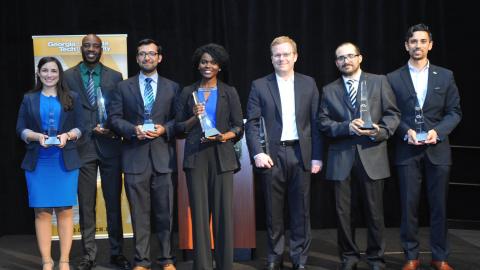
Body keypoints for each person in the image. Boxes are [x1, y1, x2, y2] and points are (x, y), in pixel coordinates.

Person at [318, 42, 400, 270]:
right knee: (343, 213)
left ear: (360, 58)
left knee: (375, 212)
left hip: (372, 155)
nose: (346, 61)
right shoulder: (329, 89)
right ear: (336, 63)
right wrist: (346, 127)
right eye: (341, 58)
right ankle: (349, 256)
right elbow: (323, 123)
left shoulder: (379, 81)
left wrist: (380, 131)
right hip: (341, 158)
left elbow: (393, 114)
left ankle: (376, 258)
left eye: (350, 56)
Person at [387, 24, 462, 270]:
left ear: (430, 45)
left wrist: (436, 132)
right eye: (413, 41)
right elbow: (390, 114)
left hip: (437, 150)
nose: (417, 45)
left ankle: (440, 257)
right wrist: (405, 131)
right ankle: (411, 256)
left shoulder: (446, 75)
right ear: (406, 46)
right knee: (409, 206)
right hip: (407, 150)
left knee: (439, 206)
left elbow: (454, 112)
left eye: (422, 41)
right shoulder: (393, 78)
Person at [245, 36, 323, 270]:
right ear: (271, 58)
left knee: (301, 212)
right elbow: (253, 124)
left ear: (295, 56)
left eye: (286, 54)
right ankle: (274, 257)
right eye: (277, 55)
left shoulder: (309, 83)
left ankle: (300, 259)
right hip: (272, 155)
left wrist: (317, 155)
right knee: (273, 212)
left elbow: (316, 122)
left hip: (301, 154)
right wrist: (258, 152)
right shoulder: (259, 85)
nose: (282, 58)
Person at [109, 38, 179, 270]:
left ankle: (167, 259)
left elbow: (179, 119)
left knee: (165, 214)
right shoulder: (123, 87)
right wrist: (133, 130)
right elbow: (114, 118)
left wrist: (165, 129)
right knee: (139, 215)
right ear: (137, 58)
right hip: (134, 158)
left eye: (151, 53)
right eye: (141, 54)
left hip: (163, 159)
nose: (146, 57)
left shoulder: (172, 87)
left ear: (159, 57)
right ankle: (142, 261)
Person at [63, 34, 130, 270]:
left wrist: (111, 128)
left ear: (102, 49)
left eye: (96, 46)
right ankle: (88, 254)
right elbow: (65, 110)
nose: (91, 49)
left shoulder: (115, 76)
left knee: (113, 202)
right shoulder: (68, 76)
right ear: (81, 48)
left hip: (110, 145)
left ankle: (116, 252)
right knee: (86, 203)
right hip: (82, 147)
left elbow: (119, 110)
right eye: (87, 46)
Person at [176, 43, 243, 270]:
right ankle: (202, 265)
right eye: (204, 61)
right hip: (196, 158)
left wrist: (224, 136)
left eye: (213, 62)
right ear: (198, 64)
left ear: (220, 66)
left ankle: (225, 265)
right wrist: (193, 118)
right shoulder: (187, 92)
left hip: (222, 156)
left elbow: (238, 127)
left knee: (223, 216)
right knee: (200, 215)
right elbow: (179, 127)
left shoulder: (229, 92)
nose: (208, 65)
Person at [16, 56, 84, 270]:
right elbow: (20, 129)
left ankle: (64, 260)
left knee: (65, 210)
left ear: (59, 74)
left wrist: (69, 136)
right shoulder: (29, 98)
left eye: (53, 71)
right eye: (45, 70)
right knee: (42, 212)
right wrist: (35, 136)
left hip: (65, 161)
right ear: (38, 73)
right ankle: (47, 260)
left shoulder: (72, 97)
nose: (49, 75)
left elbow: (82, 126)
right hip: (39, 162)